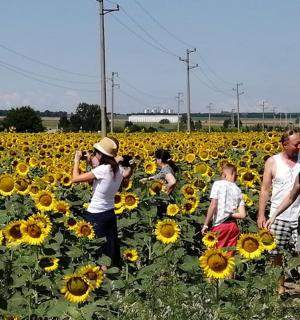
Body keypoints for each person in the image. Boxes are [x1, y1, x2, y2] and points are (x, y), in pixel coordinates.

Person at [72, 137, 133, 268]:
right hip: (109, 213)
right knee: (109, 250)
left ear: (100, 154)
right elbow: (123, 172)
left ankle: (102, 282)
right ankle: (112, 281)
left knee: (98, 253)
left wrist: (76, 161)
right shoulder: (119, 170)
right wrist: (89, 159)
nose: (94, 154)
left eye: (95, 152)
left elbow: (75, 178)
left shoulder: (103, 170)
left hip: (95, 214)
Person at [257, 129, 300, 294]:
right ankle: (280, 287)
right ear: (285, 144)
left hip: (299, 215)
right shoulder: (272, 161)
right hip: (278, 216)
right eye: (296, 144)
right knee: (276, 254)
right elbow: (265, 189)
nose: (299, 147)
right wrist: (262, 214)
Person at [201, 163, 246, 255]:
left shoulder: (218, 184)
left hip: (220, 226)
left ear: (223, 174)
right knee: (229, 258)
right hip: (233, 227)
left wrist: (206, 225)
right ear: (234, 174)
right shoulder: (238, 190)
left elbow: (213, 205)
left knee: (216, 256)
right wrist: (230, 213)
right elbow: (242, 215)